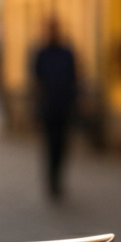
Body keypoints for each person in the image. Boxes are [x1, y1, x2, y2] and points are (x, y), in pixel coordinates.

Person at [32, 17, 78, 199]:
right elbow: (36, 81)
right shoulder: (41, 53)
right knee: (50, 145)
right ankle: (51, 179)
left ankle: (58, 177)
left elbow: (74, 78)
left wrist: (75, 101)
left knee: (62, 145)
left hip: (64, 106)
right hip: (48, 107)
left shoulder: (67, 53)